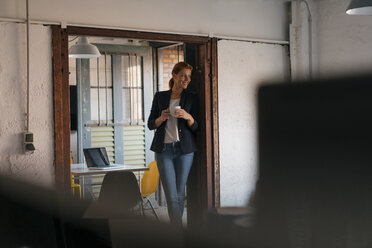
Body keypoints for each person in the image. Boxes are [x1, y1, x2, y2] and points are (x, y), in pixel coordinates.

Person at [147, 62, 198, 225]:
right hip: (164, 151)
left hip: (185, 151)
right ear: (174, 75)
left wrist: (188, 116)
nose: (186, 79)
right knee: (171, 195)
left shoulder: (192, 97)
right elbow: (150, 124)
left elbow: (197, 126)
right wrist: (161, 118)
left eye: (189, 76)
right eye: (183, 75)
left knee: (179, 192)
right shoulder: (160, 97)